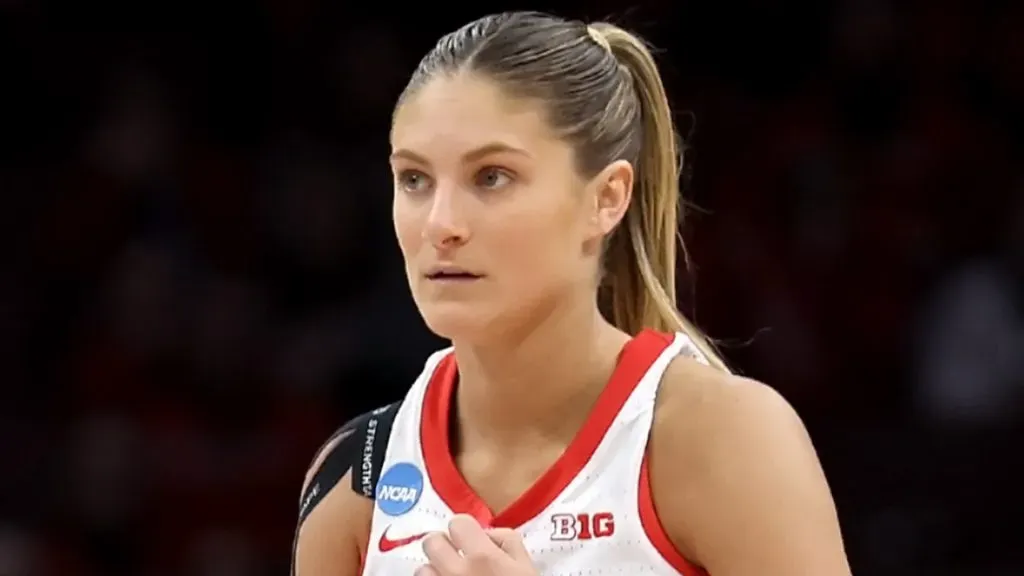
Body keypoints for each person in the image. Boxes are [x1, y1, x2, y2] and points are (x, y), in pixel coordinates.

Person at [292, 11, 850, 576]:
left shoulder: (722, 437)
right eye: (414, 179)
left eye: (491, 177)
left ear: (607, 198)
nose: (440, 223)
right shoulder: (357, 474)